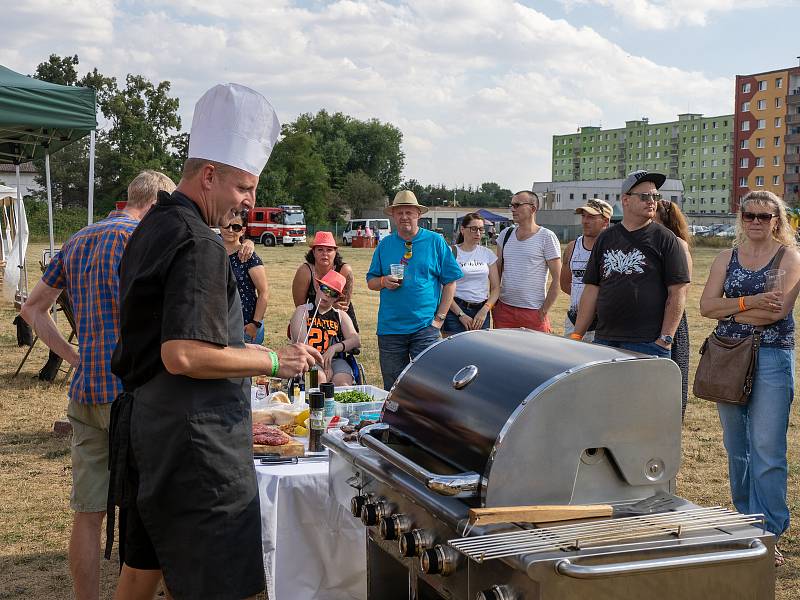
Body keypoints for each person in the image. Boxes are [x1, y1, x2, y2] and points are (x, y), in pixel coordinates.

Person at [109, 83, 322, 600]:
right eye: (244, 188)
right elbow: (181, 353)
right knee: (226, 586)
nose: (249, 202)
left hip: (150, 431)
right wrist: (271, 359)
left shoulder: (152, 225)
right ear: (209, 175)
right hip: (194, 445)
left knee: (141, 572)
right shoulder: (199, 242)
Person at [19, 170, 176, 600]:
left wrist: (76, 358)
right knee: (148, 512)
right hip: (135, 395)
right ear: (159, 203)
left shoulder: (77, 240)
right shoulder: (144, 240)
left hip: (87, 392)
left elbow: (33, 309)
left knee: (88, 515)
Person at [699, 190, 800, 567]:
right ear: (741, 218)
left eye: (763, 215)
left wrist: (731, 311)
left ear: (778, 219)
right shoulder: (726, 257)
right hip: (729, 356)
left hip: (772, 357)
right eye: (749, 215)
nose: (755, 221)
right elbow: (706, 306)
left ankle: (768, 532)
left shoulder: (788, 256)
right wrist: (749, 303)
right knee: (736, 446)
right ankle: (746, 522)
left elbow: (777, 313)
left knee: (767, 449)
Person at [572, 170, 689, 360]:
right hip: (605, 340)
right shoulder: (605, 238)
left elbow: (678, 293)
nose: (652, 201)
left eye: (655, 195)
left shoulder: (666, 239)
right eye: (645, 196)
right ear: (625, 200)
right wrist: (577, 334)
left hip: (648, 344)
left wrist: (665, 339)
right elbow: (592, 289)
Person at [366, 190, 462, 390]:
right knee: (393, 389)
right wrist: (383, 281)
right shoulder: (385, 245)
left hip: (425, 327)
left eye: (409, 212)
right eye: (399, 213)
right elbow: (371, 281)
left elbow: (451, 281)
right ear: (393, 216)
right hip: (390, 329)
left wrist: (440, 319)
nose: (404, 217)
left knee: (429, 386)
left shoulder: (435, 241)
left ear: (418, 214)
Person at [493, 191, 561, 332]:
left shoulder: (546, 237)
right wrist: (494, 303)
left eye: (517, 205)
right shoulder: (506, 234)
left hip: (533, 312)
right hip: (504, 310)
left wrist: (544, 310)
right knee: (503, 353)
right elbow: (497, 271)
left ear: (533, 208)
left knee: (536, 353)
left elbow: (558, 279)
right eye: (511, 205)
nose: (513, 209)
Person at [654, 200, 693, 418]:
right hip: (648, 316)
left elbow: (682, 288)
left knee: (669, 378)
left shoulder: (677, 244)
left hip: (669, 317)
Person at [289, 270, 361, 385]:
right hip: (309, 359)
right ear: (318, 287)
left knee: (343, 383)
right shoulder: (303, 311)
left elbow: (356, 340)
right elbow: (302, 344)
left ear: (337, 297)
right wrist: (323, 364)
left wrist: (334, 348)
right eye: (325, 289)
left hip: (335, 359)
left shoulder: (340, 315)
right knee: (318, 379)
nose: (327, 294)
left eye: (333, 293)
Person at [560, 198, 612, 342]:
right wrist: (584, 302)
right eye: (583, 216)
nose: (585, 221)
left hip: (603, 325)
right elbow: (565, 285)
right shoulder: (572, 247)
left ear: (605, 221)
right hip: (573, 322)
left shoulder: (613, 249)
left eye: (591, 217)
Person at [442, 212, 499, 337]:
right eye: (473, 229)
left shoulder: (487, 253)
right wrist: (460, 314)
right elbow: (443, 288)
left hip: (481, 311)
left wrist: (485, 310)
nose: (478, 233)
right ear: (462, 229)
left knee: (479, 353)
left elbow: (495, 288)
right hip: (455, 310)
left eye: (481, 229)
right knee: (454, 353)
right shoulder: (451, 252)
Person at [292, 231, 358, 331]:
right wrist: (329, 307)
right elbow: (300, 307)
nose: (325, 254)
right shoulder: (305, 271)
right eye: (320, 250)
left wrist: (331, 309)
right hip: (311, 321)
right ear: (313, 252)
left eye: (329, 250)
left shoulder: (344, 270)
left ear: (335, 252)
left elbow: (343, 306)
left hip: (340, 319)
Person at [222, 211, 268, 344]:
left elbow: (264, 292)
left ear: (242, 231)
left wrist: (255, 324)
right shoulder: (213, 250)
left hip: (245, 325)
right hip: (219, 324)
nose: (230, 230)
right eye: (226, 225)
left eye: (235, 227)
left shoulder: (248, 257)